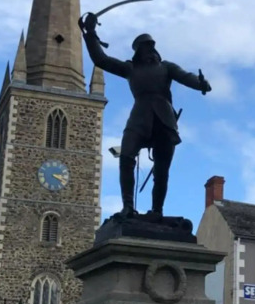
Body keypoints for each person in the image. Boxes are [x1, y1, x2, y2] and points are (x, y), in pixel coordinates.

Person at [79, 13, 211, 218]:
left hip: (164, 119)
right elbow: (101, 59)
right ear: (139, 51)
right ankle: (128, 206)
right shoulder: (130, 68)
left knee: (161, 170)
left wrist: (200, 84)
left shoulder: (167, 67)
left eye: (152, 46)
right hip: (139, 117)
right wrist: (90, 33)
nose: (151, 50)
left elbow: (186, 77)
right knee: (126, 157)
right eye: (147, 47)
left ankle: (157, 210)